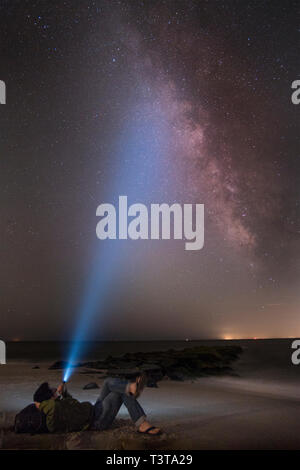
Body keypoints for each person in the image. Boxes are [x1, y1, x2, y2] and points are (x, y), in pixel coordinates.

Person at [33, 374, 161, 435]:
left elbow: (73, 405)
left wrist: (64, 393)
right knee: (120, 393)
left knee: (108, 382)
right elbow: (54, 418)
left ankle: (131, 387)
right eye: (52, 391)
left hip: (95, 408)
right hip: (97, 420)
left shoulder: (59, 404)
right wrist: (39, 404)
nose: (55, 390)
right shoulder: (53, 412)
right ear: (47, 400)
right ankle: (142, 424)